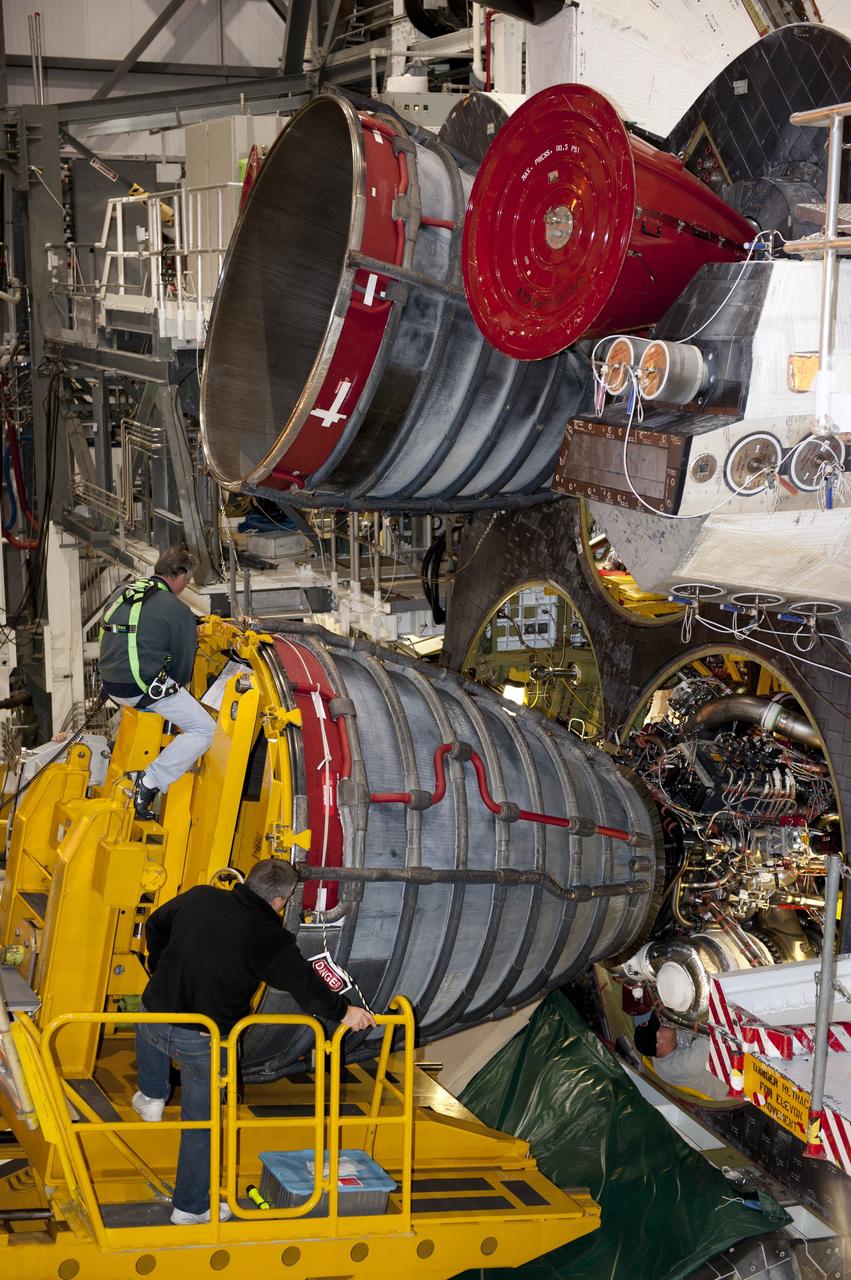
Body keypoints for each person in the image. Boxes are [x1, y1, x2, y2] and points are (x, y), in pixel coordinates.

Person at [132, 858, 377, 1225]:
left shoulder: (200, 896)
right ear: (280, 900)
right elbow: (304, 984)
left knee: (151, 1015)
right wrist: (346, 1013)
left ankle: (151, 1095)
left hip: (151, 1020)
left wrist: (160, 967)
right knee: (203, 1126)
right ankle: (191, 1207)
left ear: (247, 881)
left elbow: (154, 924)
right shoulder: (269, 938)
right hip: (203, 1040)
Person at [98, 546, 215, 821]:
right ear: (179, 575)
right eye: (188, 579)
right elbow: (183, 668)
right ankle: (150, 782)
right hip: (138, 691)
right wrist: (178, 688)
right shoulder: (178, 610)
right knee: (204, 729)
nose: (187, 585)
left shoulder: (122, 592)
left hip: (112, 686)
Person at [634, 1014, 729, 1101]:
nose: (663, 1024)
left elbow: (683, 1030)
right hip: (732, 1080)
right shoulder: (686, 1065)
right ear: (659, 1043)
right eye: (660, 1027)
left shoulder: (660, 1053)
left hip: (714, 1060)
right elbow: (714, 1032)